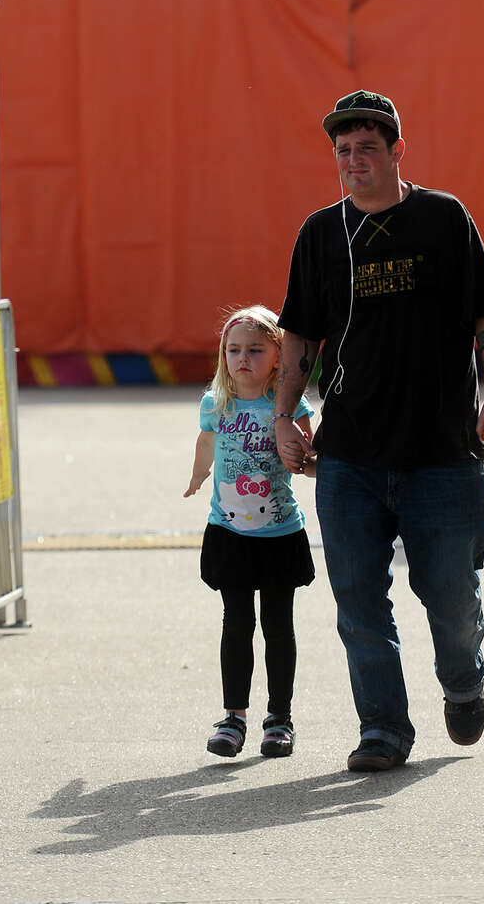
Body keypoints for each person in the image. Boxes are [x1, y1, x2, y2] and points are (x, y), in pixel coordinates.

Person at [273, 89, 484, 774]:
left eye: (367, 148)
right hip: (349, 455)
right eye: (343, 150)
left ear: (397, 151)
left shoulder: (444, 218)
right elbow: (300, 336)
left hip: (442, 452)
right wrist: (284, 415)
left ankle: (463, 682)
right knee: (358, 601)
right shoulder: (320, 234)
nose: (353, 160)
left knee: (451, 596)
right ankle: (383, 728)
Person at [184, 305, 317, 760]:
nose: (243, 358)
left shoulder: (288, 405)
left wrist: (311, 463)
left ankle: (279, 718)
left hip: (279, 533)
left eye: (256, 350)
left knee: (278, 627)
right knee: (237, 624)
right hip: (229, 534)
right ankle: (233, 717)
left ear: (279, 356)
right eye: (234, 349)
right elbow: (206, 441)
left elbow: (307, 454)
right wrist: (198, 474)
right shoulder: (215, 403)